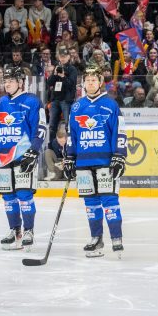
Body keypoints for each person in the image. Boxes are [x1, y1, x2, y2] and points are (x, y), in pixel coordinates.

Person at [64, 66, 127, 258]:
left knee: (109, 201)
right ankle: (96, 238)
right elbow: (71, 135)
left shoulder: (111, 105)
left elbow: (120, 131)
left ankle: (116, 238)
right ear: (83, 83)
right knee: (90, 203)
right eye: (87, 80)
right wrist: (69, 156)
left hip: (105, 161)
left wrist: (119, 155)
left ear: (101, 83)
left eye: (94, 79)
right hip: (83, 162)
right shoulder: (76, 106)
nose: (90, 83)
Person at [0, 64, 45, 249]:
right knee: (8, 197)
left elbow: (41, 128)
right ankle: (15, 230)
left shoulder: (32, 101)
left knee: (24, 195)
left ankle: (29, 230)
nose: (7, 84)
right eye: (5, 81)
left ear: (21, 82)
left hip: (24, 157)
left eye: (11, 80)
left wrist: (34, 150)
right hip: (4, 158)